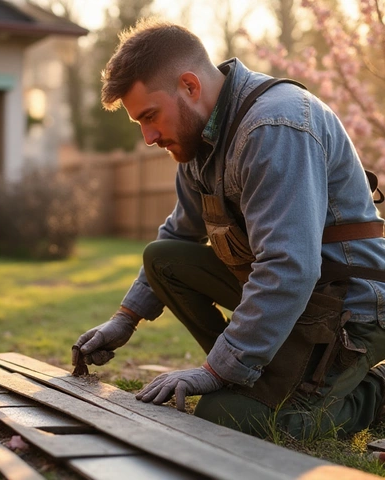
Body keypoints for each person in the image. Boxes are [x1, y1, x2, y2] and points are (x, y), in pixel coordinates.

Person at [72, 18, 385, 439]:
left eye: (150, 116)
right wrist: (125, 318)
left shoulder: (274, 126)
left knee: (229, 419)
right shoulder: (197, 141)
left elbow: (289, 266)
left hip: (352, 308)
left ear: (189, 86)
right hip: (300, 298)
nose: (148, 137)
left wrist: (213, 370)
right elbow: (179, 237)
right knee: (163, 259)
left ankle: (374, 395)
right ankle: (257, 373)